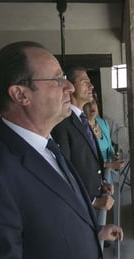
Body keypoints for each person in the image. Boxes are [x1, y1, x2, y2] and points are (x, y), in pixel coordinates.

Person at [0, 41, 123, 259]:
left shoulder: (46, 144)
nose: (69, 87)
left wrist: (92, 233)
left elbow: (50, 217)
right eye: (56, 80)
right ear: (21, 94)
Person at [52, 66, 114, 211]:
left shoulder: (82, 119)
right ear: (70, 86)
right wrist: (92, 201)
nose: (91, 86)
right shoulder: (62, 123)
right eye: (85, 82)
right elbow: (64, 170)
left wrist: (101, 182)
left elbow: (86, 160)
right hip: (80, 205)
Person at [83, 93, 124, 184]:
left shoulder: (103, 123)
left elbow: (109, 147)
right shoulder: (82, 129)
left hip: (107, 176)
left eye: (93, 102)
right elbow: (84, 160)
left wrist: (114, 156)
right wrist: (110, 165)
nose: (91, 106)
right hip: (92, 178)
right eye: (87, 104)